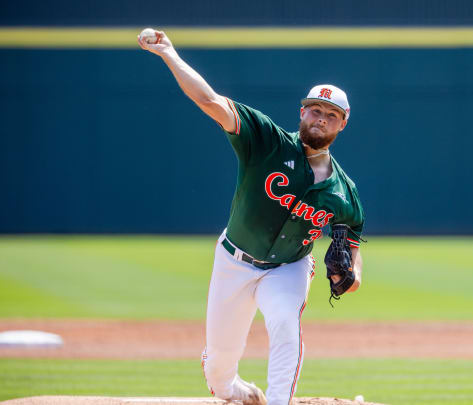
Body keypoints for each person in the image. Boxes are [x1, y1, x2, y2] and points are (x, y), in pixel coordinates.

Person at [138, 30, 365, 405]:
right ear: (301, 111)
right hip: (234, 260)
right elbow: (210, 100)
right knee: (219, 371)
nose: (321, 118)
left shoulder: (344, 192)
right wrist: (170, 53)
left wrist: (352, 274)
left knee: (284, 324)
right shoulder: (266, 140)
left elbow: (353, 238)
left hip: (288, 268)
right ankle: (239, 390)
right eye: (315, 109)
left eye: (331, 115)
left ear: (343, 124)